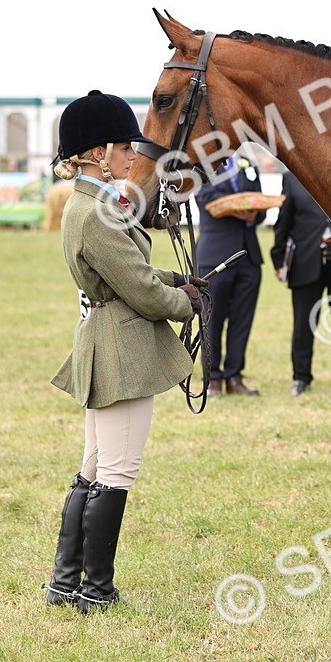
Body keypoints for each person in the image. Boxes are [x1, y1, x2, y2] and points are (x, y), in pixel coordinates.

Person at [41, 90, 205, 613]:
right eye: (122, 146)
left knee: (92, 467)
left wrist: (176, 276)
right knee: (116, 471)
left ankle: (66, 583)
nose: (133, 155)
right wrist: (185, 301)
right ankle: (96, 590)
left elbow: (126, 274)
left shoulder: (87, 206)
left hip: (104, 333)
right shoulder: (96, 214)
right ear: (97, 152)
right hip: (122, 346)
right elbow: (139, 290)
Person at [270, 172, 331, 396]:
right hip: (305, 263)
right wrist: (278, 258)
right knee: (303, 325)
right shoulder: (291, 179)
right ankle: (301, 378)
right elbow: (284, 220)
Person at [194, 152, 266, 396]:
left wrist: (254, 212)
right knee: (212, 320)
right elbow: (206, 197)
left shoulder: (249, 163)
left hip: (249, 256)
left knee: (241, 321)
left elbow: (260, 204)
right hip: (215, 257)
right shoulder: (203, 166)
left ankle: (235, 376)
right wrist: (239, 209)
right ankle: (212, 378)